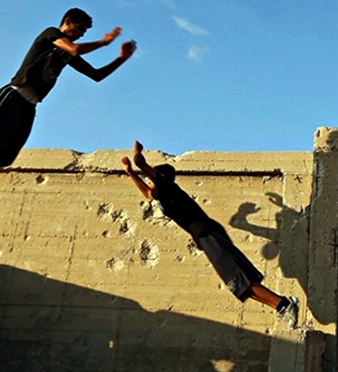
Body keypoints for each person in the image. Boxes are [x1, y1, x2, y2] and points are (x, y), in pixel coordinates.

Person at [0, 8, 137, 166]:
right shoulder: (51, 34)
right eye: (78, 29)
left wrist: (121, 58)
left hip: (28, 107)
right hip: (12, 96)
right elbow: (75, 49)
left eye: (83, 33)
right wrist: (104, 42)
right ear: (67, 22)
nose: (79, 35)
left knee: (3, 159)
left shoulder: (66, 55)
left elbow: (96, 75)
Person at [121, 140, 300, 326]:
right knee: (237, 285)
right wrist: (130, 172)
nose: (149, 184)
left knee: (240, 278)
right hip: (204, 236)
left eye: (150, 180)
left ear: (160, 178)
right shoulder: (163, 197)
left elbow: (141, 163)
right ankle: (281, 305)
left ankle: (285, 304)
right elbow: (146, 194)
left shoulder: (169, 188)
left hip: (208, 233)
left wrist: (137, 152)